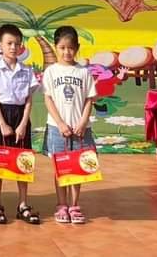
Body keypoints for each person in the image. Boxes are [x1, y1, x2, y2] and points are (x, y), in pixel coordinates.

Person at [42, 25, 97, 224]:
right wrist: (60, 123)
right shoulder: (51, 71)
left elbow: (90, 99)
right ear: (56, 47)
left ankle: (74, 205)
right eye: (62, 47)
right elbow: (48, 99)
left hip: (80, 129)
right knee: (61, 167)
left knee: (78, 166)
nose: (67, 52)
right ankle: (61, 205)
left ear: (77, 48)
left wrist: (83, 122)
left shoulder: (84, 72)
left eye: (71, 48)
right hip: (58, 128)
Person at [0, 24, 41, 225]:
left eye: (17, 44)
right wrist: (2, 123)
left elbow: (28, 100)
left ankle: (23, 204)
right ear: (0, 45)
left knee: (22, 161)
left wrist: (23, 124)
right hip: (1, 116)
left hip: (20, 118)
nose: (13, 47)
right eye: (9, 43)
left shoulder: (27, 71)